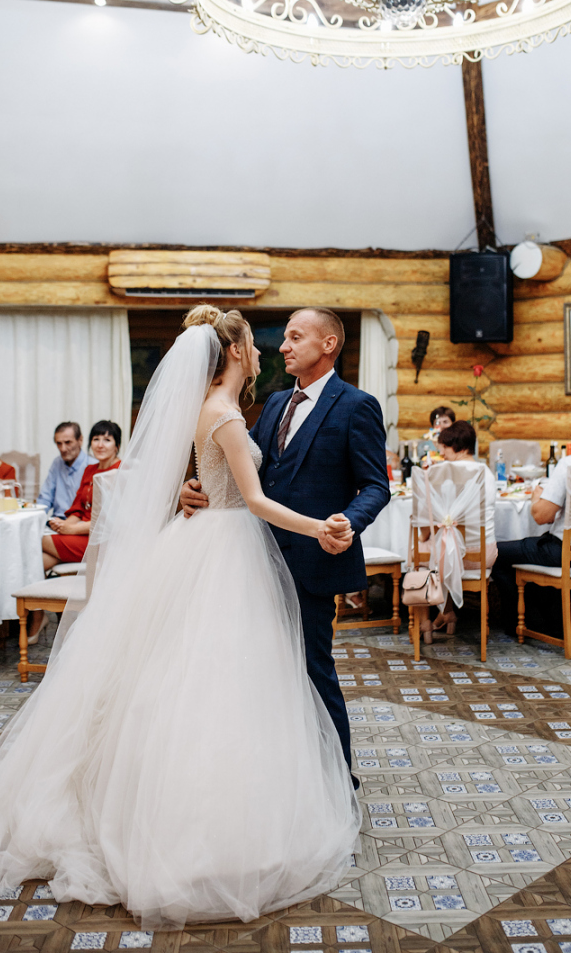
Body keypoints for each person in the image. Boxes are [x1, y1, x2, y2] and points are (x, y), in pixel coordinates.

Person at [0, 308, 361, 928]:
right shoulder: (225, 412)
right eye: (254, 344)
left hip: (215, 547)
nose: (264, 352)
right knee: (221, 683)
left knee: (198, 680)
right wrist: (320, 529)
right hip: (230, 550)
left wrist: (190, 490)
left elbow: (207, 478)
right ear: (232, 352)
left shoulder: (217, 409)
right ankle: (211, 824)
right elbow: (252, 498)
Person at [180, 306, 390, 786]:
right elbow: (241, 467)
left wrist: (347, 523)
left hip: (314, 559)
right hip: (251, 561)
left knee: (315, 668)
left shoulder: (357, 405)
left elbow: (377, 485)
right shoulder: (273, 403)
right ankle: (279, 779)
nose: (283, 346)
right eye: (283, 338)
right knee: (258, 671)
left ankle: (338, 780)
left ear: (328, 344)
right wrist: (193, 486)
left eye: (296, 337)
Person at [492, 413, 571, 636]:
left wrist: (537, 496)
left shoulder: (570, 463)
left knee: (495, 553)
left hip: (566, 552)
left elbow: (542, 516)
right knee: (531, 548)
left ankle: (524, 620)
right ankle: (549, 614)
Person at [31, 422, 121, 645]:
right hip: (83, 537)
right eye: (96, 439)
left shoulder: (120, 471)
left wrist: (70, 528)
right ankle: (36, 612)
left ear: (117, 445)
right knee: (39, 559)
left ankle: (32, 613)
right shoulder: (91, 470)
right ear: (89, 443)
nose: (100, 445)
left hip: (104, 543)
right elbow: (77, 508)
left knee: (36, 541)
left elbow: (112, 522)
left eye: (107, 440)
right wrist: (64, 525)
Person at [417, 420, 497, 639]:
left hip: (454, 556)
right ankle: (447, 613)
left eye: (445, 447)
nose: (441, 453)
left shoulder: (440, 473)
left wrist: (423, 536)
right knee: (447, 547)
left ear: (460, 447)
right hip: (483, 555)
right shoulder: (487, 473)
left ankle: (424, 622)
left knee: (419, 555)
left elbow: (426, 523)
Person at [37, 422, 96, 518]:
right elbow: (45, 498)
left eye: (68, 442)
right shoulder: (57, 463)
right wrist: (37, 520)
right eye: (59, 443)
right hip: (56, 522)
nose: (63, 449)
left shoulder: (93, 465)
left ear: (80, 440)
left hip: (79, 525)